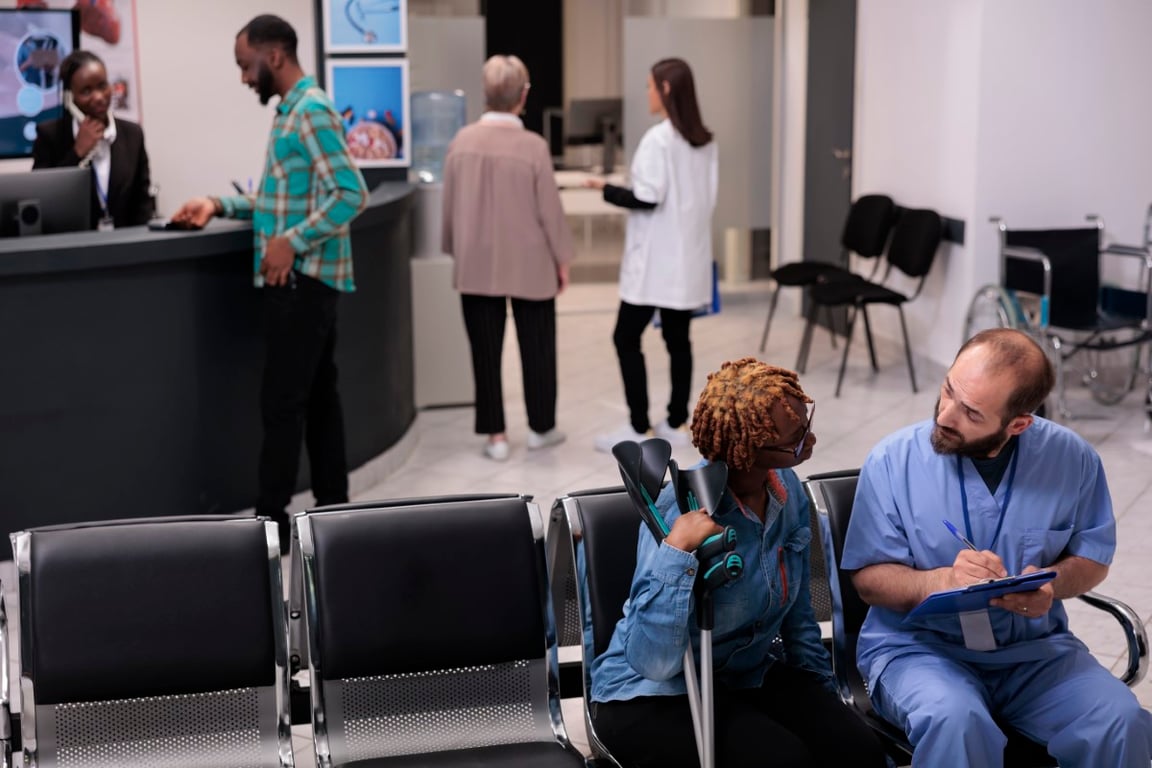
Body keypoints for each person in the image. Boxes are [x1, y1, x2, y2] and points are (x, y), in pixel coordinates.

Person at [842, 328, 1152, 767]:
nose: (945, 415)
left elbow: (1092, 559)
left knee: (1121, 721)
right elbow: (869, 581)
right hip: (922, 649)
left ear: (1018, 424)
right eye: (948, 389)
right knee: (957, 721)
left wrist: (1051, 585)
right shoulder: (893, 461)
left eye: (971, 412)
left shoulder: (1072, 460)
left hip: (1033, 653)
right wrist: (942, 580)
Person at [590, 357, 888, 768]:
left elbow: (799, 616)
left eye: (806, 424)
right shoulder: (679, 509)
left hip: (744, 675)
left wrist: (823, 698)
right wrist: (676, 552)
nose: (810, 440)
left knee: (859, 751)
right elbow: (652, 660)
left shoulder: (787, 491)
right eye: (795, 439)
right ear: (749, 450)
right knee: (783, 761)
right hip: (651, 692)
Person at [170, 14, 368, 552]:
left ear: (274, 55)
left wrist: (291, 242)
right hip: (303, 282)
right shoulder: (291, 112)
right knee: (317, 398)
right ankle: (333, 512)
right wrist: (217, 204)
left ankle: (270, 527)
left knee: (282, 404)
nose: (243, 77)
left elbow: (352, 192)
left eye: (245, 64)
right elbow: (278, 201)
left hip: (303, 283)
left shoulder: (311, 110)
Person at [441, 54, 574, 461]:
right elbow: (550, 212)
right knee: (538, 346)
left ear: (485, 93)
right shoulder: (534, 147)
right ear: (524, 94)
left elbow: (449, 207)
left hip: (476, 262)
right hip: (531, 262)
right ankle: (540, 429)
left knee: (484, 351)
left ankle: (496, 436)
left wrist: (455, 249)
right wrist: (562, 259)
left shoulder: (461, 142)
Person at [589, 57, 718, 453]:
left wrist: (604, 188)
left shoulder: (658, 139)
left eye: (649, 86)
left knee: (625, 337)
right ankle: (676, 421)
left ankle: (638, 426)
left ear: (665, 90)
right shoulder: (704, 141)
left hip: (655, 263)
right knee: (679, 339)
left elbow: (647, 197)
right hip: (687, 257)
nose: (646, 93)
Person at [32, 49, 152, 229]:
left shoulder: (132, 134)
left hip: (125, 241)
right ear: (69, 98)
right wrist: (77, 153)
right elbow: (41, 199)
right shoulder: (49, 135)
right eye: (86, 91)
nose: (99, 97)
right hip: (72, 242)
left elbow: (142, 203)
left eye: (103, 86)